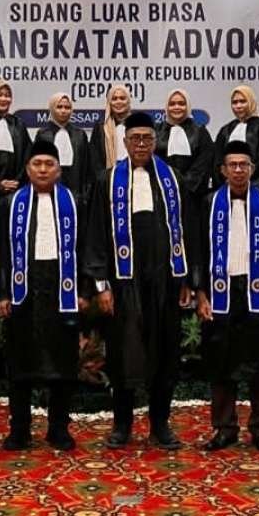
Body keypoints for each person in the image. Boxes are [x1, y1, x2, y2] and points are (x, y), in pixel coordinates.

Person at [83, 111, 192, 450]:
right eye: (135, 139)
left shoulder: (172, 179)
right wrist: (101, 285)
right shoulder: (107, 180)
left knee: (165, 353)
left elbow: (188, 230)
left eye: (147, 138)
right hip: (123, 283)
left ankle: (160, 424)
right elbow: (95, 235)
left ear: (155, 141)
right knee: (122, 354)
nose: (141, 144)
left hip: (164, 281)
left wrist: (187, 279)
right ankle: (122, 425)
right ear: (125, 142)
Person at [0, 140, 85, 451]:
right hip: (23, 290)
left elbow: (86, 247)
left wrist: (84, 291)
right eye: (37, 164)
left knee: (63, 363)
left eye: (49, 164)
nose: (43, 169)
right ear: (27, 169)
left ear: (59, 170)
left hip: (62, 288)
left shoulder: (75, 202)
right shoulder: (10, 204)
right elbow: (0, 253)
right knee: (20, 363)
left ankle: (58, 428)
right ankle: (19, 429)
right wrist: (2, 293)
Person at [194, 141, 259, 453]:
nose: (239, 170)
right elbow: (199, 250)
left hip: (258, 292)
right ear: (223, 170)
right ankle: (224, 428)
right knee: (220, 362)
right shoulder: (209, 203)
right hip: (220, 291)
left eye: (244, 165)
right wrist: (201, 293)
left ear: (253, 169)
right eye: (233, 165)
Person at [212, 85, 259, 192]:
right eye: (234, 102)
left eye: (243, 101)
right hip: (228, 189)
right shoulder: (226, 130)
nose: (238, 106)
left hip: (256, 188)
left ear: (251, 102)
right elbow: (218, 162)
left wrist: (243, 182)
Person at [155, 89, 214, 207]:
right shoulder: (157, 131)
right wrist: (167, 185)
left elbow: (203, 163)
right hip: (162, 193)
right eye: (172, 104)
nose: (176, 107)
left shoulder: (200, 132)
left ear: (188, 106)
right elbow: (154, 160)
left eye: (181, 103)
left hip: (193, 196)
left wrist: (183, 187)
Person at [35, 92, 93, 207]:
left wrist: (85, 196)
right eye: (59, 107)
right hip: (49, 193)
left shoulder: (80, 135)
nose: (63, 110)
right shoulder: (43, 135)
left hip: (76, 195)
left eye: (67, 107)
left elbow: (87, 168)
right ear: (52, 108)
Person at [90, 84, 131, 173]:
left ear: (128, 101)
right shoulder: (101, 128)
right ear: (109, 102)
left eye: (122, 98)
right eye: (114, 99)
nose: (118, 102)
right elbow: (94, 161)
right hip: (108, 176)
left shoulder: (137, 125)